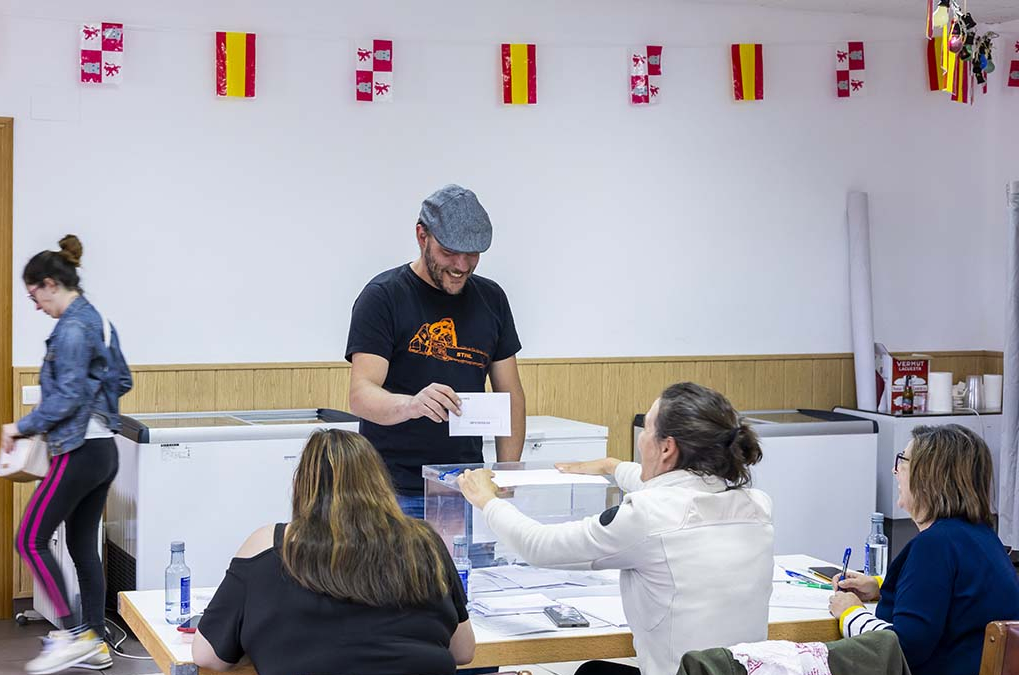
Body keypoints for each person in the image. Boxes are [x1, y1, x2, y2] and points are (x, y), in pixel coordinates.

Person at [458, 382, 774, 675]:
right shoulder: (757, 505)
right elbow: (677, 490)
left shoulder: (648, 516)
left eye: (648, 428)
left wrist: (487, 500)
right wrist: (612, 467)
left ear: (666, 448)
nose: (641, 438)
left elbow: (539, 546)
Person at [192, 429, 475, 675]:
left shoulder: (269, 545)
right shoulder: (425, 542)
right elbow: (463, 651)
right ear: (380, 482)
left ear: (301, 485)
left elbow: (207, 656)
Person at [346, 184, 526, 519]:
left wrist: (507, 473)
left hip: (464, 489)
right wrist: (411, 405)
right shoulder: (383, 297)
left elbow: (510, 393)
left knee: (464, 574)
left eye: (472, 254)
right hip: (387, 492)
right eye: (449, 252)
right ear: (421, 236)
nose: (461, 265)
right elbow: (361, 395)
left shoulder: (492, 299)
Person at [1, 235, 132, 675]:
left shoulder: (73, 329)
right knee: (80, 544)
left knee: (29, 538)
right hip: (103, 450)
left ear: (50, 284)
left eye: (33, 294)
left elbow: (67, 399)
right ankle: (94, 642)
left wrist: (18, 428)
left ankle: (75, 637)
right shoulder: (98, 320)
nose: (34, 305)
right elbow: (123, 380)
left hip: (79, 450)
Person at [828, 424, 1019, 675]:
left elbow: (901, 648)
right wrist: (880, 586)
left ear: (929, 476)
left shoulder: (935, 545)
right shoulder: (981, 537)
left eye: (903, 461)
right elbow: (953, 598)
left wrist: (850, 612)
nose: (895, 471)